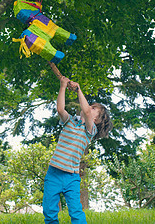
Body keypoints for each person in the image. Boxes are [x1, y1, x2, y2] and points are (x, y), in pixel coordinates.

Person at [42, 76, 113, 224]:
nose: (89, 108)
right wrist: (62, 86)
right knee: (49, 212)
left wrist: (79, 89)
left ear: (96, 120)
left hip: (71, 178)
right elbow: (60, 109)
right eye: (91, 106)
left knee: (75, 212)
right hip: (53, 173)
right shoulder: (70, 121)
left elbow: (86, 111)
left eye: (94, 108)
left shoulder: (90, 130)